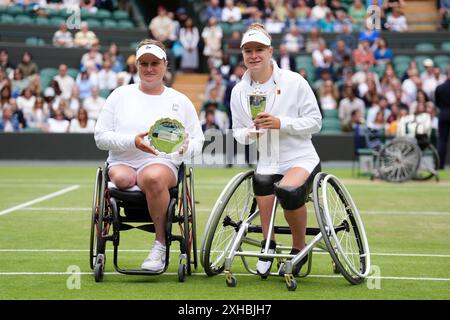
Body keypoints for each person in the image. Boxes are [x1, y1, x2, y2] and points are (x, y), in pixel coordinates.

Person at [94, 39, 204, 273]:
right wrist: (132, 141)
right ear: (137, 65)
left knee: (151, 178)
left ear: (165, 65)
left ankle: (160, 245)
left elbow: (198, 141)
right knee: (122, 179)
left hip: (161, 162)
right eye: (144, 63)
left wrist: (183, 149)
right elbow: (100, 137)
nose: (149, 68)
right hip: (123, 161)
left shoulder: (180, 100)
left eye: (155, 63)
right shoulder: (119, 95)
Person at [230, 23, 322, 277]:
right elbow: (238, 133)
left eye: (259, 49)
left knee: (289, 191)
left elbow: (315, 122)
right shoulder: (239, 91)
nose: (254, 55)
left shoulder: (295, 81)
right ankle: (267, 243)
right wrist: (251, 133)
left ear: (270, 51)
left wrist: (282, 123)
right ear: (243, 54)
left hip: (301, 157)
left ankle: (297, 249)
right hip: (268, 160)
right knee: (261, 180)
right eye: (248, 50)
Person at [435, 67, 450, 169]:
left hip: (444, 115)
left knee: (442, 141)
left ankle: (440, 166)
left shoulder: (440, 87)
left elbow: (437, 103)